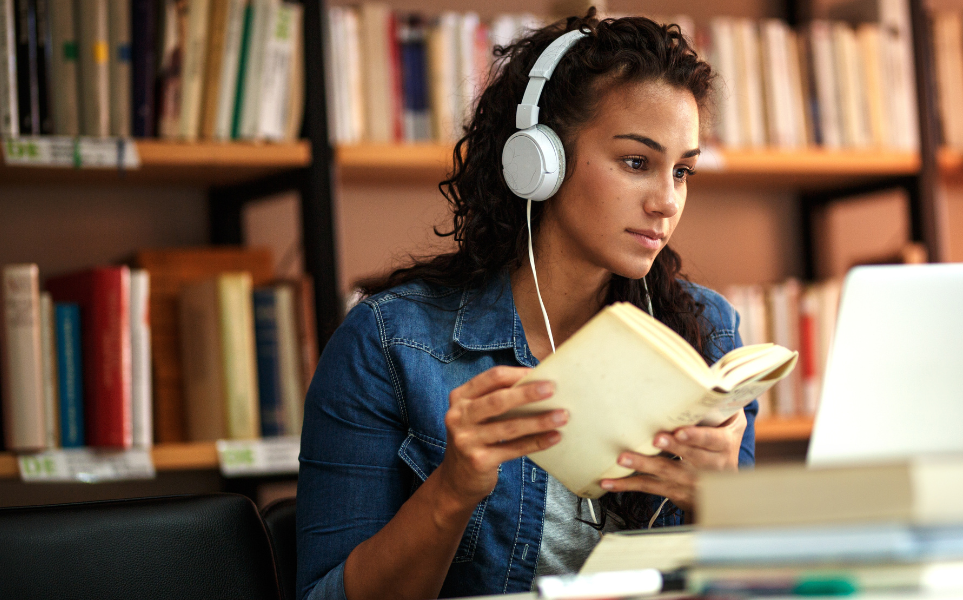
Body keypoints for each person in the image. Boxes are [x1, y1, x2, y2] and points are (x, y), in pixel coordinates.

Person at [297, 11, 758, 600]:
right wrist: (453, 489)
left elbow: (740, 586)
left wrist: (721, 503)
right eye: (637, 163)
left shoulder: (707, 333)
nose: (667, 202)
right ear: (540, 161)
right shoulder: (387, 344)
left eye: (683, 170)